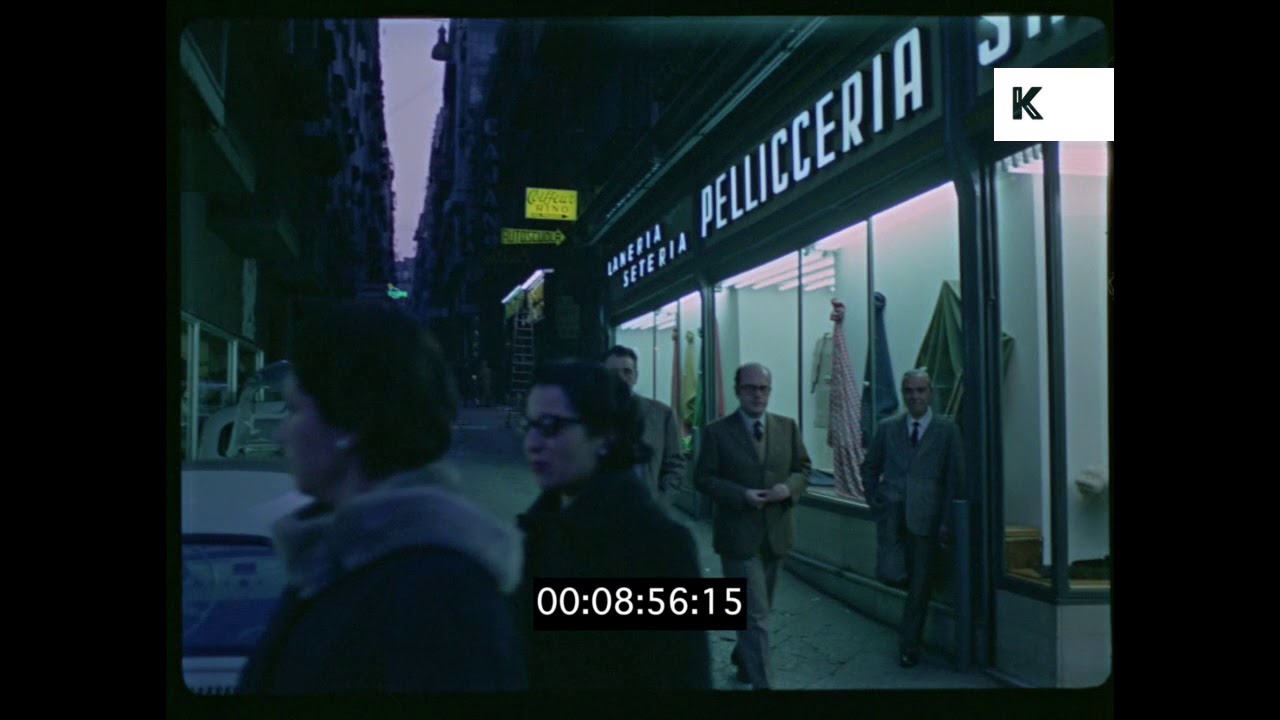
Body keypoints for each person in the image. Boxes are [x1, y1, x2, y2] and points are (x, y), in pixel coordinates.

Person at [237, 300, 526, 693]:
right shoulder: (338, 558)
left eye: (296, 410)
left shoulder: (437, 599)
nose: (281, 433)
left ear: (349, 421)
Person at [514, 359, 711, 691]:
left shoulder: (658, 546)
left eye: (550, 426)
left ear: (605, 436)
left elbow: (683, 673)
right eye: (529, 425)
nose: (532, 443)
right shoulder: (539, 530)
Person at [694, 362, 811, 690]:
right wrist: (741, 495)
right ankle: (764, 686)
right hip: (737, 537)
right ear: (737, 390)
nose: (757, 395)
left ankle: (744, 657)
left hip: (776, 535)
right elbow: (703, 479)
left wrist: (788, 488)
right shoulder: (717, 432)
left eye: (763, 389)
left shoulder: (787, 427)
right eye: (750, 388)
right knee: (755, 614)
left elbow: (803, 469)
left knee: (759, 609)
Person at [860, 369, 963, 669]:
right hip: (893, 518)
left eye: (920, 390)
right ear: (903, 394)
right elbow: (869, 467)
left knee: (920, 585)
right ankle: (908, 630)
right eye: (909, 391)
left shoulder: (946, 431)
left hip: (927, 521)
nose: (915, 396)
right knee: (891, 573)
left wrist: (946, 522)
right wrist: (875, 501)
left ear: (930, 393)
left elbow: (955, 480)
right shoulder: (887, 428)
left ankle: (909, 645)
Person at [601, 345, 685, 504]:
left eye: (627, 371)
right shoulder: (588, 414)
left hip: (647, 506)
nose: (620, 378)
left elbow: (674, 465)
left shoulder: (661, 414)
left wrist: (661, 502)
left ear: (636, 376)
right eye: (613, 373)